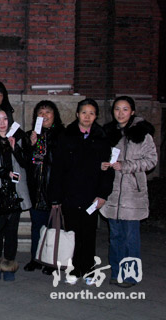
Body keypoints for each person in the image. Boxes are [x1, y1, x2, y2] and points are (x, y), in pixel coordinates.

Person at [49, 98, 114, 285]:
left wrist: (103, 194)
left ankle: (89, 270)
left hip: (91, 195)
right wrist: (56, 197)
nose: (87, 116)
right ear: (77, 114)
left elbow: (108, 170)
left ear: (96, 116)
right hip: (70, 194)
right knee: (72, 233)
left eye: (91, 113)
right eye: (84, 112)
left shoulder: (102, 138)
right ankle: (74, 269)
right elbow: (58, 168)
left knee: (88, 233)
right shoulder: (66, 136)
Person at [100, 96, 157, 287]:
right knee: (115, 236)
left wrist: (125, 165)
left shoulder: (142, 134)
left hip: (133, 194)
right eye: (117, 109)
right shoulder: (109, 133)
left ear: (132, 112)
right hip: (113, 193)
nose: (120, 113)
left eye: (125, 109)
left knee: (131, 238)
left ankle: (130, 275)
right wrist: (103, 165)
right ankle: (116, 272)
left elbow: (151, 160)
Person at [0, 108, 31, 281]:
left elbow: (27, 162)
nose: (2, 123)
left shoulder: (19, 137)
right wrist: (6, 173)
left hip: (15, 191)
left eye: (5, 119)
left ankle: (9, 263)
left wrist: (14, 148)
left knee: (12, 230)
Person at [23, 100, 65, 275]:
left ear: (54, 115)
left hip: (52, 189)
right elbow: (25, 163)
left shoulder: (61, 135)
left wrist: (59, 194)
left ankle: (50, 261)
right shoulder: (31, 135)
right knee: (36, 227)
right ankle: (36, 258)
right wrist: (30, 145)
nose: (44, 115)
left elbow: (62, 166)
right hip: (36, 189)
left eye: (48, 112)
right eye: (41, 112)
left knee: (52, 228)